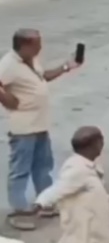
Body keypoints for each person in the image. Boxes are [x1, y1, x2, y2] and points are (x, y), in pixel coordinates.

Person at [2, 28, 81, 231]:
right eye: (37, 44)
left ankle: (44, 203)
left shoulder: (31, 60)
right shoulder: (9, 65)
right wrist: (10, 100)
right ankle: (20, 212)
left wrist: (66, 67)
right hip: (23, 128)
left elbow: (42, 77)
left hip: (40, 124)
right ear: (25, 46)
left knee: (42, 166)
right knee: (20, 170)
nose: (40, 48)